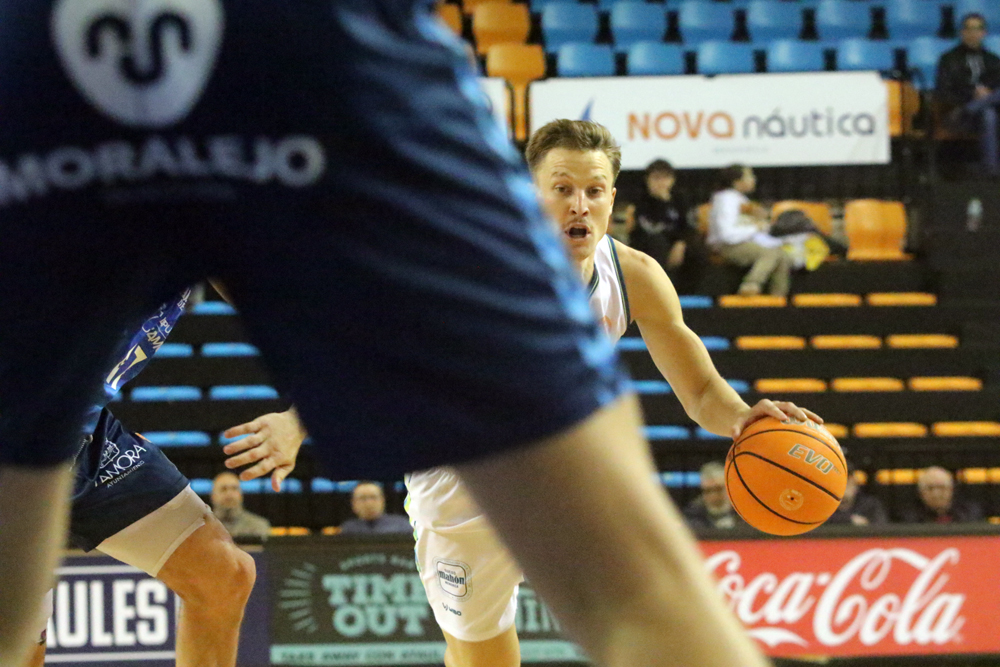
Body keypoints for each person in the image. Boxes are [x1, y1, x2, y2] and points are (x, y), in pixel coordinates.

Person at [0, 6, 771, 667]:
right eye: (562, 187)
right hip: (448, 479)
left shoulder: (621, 271)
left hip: (89, 426)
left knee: (646, 596)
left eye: (593, 190)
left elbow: (316, 301)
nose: (579, 204)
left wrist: (744, 419)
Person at [24, 293, 259, 667]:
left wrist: (295, 417)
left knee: (224, 577)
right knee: (20, 636)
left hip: (83, 432)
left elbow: (285, 307)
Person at [707, 165, 791, 297]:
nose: (754, 179)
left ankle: (778, 298)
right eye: (749, 176)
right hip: (727, 246)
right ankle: (751, 284)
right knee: (770, 253)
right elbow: (727, 235)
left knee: (782, 255)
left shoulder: (741, 199)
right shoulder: (725, 199)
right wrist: (756, 227)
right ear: (736, 181)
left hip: (745, 242)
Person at [627, 159, 706, 294]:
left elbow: (689, 225)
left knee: (697, 250)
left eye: (665, 178)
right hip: (648, 243)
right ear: (647, 180)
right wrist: (661, 203)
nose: (661, 183)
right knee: (657, 244)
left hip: (676, 241)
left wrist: (680, 243)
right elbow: (648, 228)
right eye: (656, 178)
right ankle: (658, 292)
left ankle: (690, 293)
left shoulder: (681, 199)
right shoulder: (641, 200)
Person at [936, 13, 1000, 176]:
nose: (973, 33)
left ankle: (972, 108)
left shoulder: (993, 60)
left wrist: (986, 95)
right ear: (962, 32)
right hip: (958, 114)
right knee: (989, 114)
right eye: (969, 29)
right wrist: (972, 94)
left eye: (977, 29)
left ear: (984, 33)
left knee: (989, 114)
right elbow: (943, 92)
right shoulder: (948, 59)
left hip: (981, 111)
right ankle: (991, 170)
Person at [901, 466, 983, 524]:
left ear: (951, 489)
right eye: (930, 488)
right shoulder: (909, 519)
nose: (936, 494)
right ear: (920, 492)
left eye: (941, 487)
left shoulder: (970, 515)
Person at [682, 462, 746, 529]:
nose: (713, 496)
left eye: (718, 489)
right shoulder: (692, 516)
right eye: (708, 491)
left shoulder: (745, 514)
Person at [211, 472, 273, 541]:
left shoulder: (258, 526)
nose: (229, 494)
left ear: (241, 494)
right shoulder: (203, 526)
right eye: (223, 489)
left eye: (234, 488)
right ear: (213, 496)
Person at [825, 461, 889, 526]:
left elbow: (881, 527)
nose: (845, 484)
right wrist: (849, 520)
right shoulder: (825, 507)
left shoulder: (870, 505)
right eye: (839, 481)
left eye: (848, 479)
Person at [339, 481, 413, 534]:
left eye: (373, 497)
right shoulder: (347, 529)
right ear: (353, 503)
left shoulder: (402, 526)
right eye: (363, 498)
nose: (369, 503)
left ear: (382, 500)